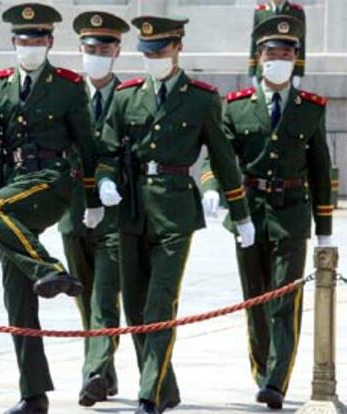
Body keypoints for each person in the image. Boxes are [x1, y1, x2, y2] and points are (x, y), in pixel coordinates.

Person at [93, 15, 255, 414]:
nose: (152, 59)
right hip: (130, 210)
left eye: (160, 51)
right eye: (146, 53)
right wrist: (105, 182)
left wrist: (241, 213)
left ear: (178, 47)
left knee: (160, 304)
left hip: (175, 209)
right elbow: (107, 151)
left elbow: (222, 158)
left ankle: (150, 394)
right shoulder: (127, 95)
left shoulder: (201, 97)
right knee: (133, 306)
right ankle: (166, 385)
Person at [0, 3, 99, 413]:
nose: (29, 46)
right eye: (22, 40)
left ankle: (50, 270)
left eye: (37, 40)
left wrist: (92, 199)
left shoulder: (68, 86)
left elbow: (87, 146)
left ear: (49, 42)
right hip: (14, 187)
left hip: (51, 182)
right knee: (17, 293)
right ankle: (33, 394)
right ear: (12, 42)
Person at [202, 15, 333, 410]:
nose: (279, 59)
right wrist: (211, 190)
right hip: (250, 213)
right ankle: (262, 371)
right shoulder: (237, 106)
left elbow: (320, 170)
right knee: (255, 299)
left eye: (287, 53)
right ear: (258, 58)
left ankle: (276, 380)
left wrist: (324, 227)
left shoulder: (311, 108)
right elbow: (218, 157)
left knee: (284, 300)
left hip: (291, 214)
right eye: (271, 53)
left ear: (296, 59)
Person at [58, 11, 129, 407]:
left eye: (104, 48)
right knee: (85, 298)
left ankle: (95, 372)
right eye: (90, 49)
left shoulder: (129, 95)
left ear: (117, 50)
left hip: (115, 217)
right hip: (72, 212)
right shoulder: (66, 95)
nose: (97, 55)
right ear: (80, 50)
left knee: (105, 297)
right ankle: (107, 371)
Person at [248, 1, 306, 87]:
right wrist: (252, 70)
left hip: (287, 68)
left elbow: (301, 43)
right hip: (264, 68)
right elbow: (255, 42)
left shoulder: (297, 11)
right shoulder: (260, 11)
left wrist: (298, 72)